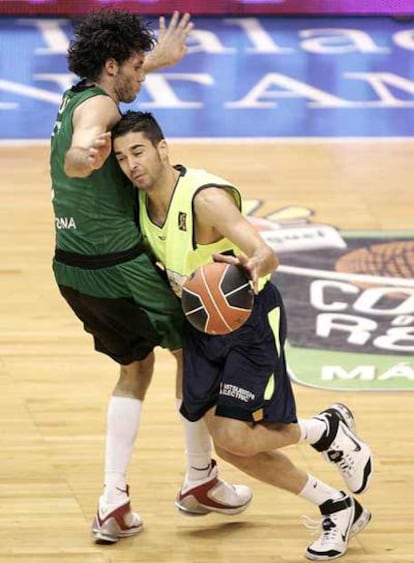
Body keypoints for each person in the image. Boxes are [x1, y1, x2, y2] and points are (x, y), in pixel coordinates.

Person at [112, 110, 374, 561]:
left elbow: (264, 251)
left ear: (162, 149)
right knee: (233, 447)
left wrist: (255, 264)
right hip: (201, 328)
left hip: (247, 324)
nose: (131, 164)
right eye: (121, 158)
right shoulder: (136, 200)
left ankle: (325, 430)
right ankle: (336, 501)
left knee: (236, 438)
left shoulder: (204, 199)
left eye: (138, 152)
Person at [50, 9, 253, 546]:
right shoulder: (97, 109)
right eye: (138, 67)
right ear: (112, 65)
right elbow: (86, 141)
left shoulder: (79, 93)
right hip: (119, 266)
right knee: (193, 343)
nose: (143, 75)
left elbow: (98, 108)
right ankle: (199, 478)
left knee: (135, 368)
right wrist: (80, 156)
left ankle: (113, 501)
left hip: (72, 266)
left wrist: (157, 59)